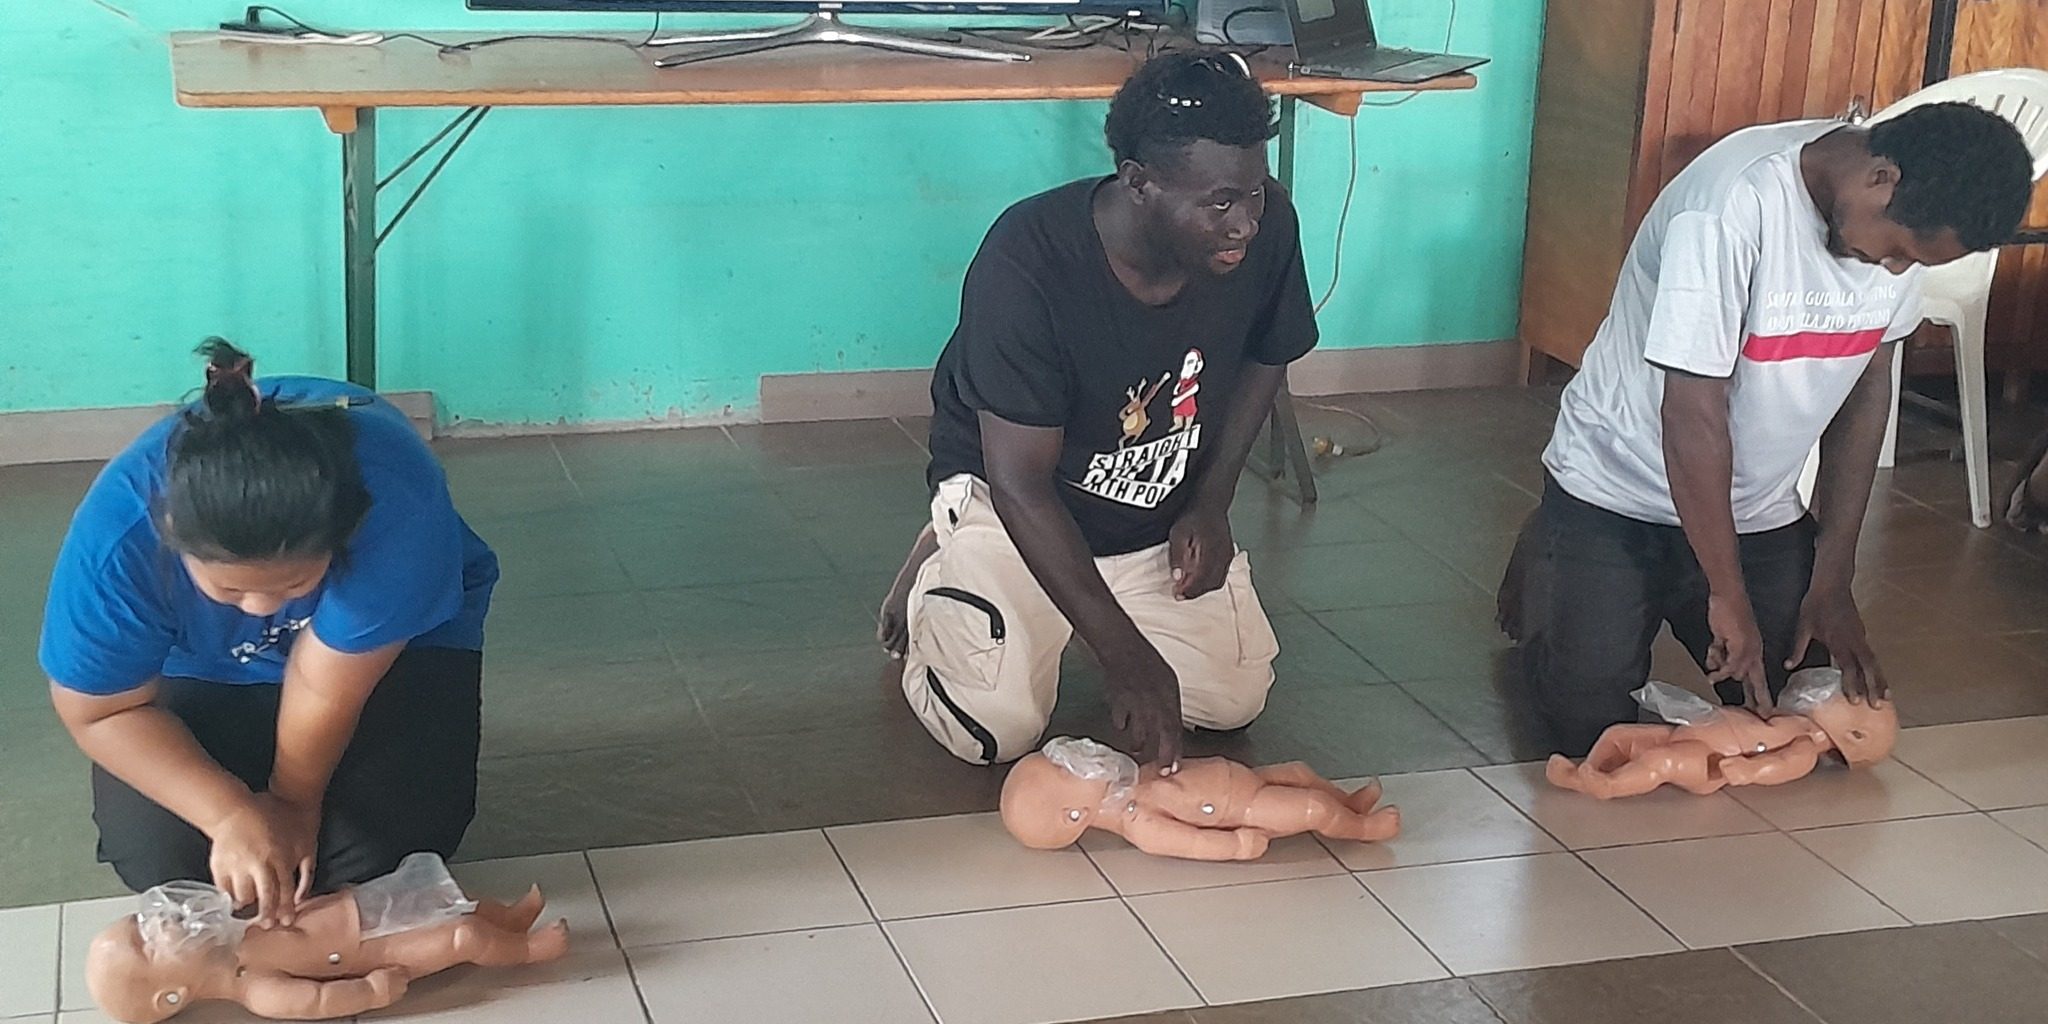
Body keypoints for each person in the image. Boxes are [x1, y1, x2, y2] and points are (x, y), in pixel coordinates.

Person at [1499, 102, 2034, 756]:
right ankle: (1553, 552)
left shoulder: (1903, 227)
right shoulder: (1730, 206)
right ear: (1881, 179)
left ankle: (1590, 574)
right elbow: (1693, 413)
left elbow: (1868, 393)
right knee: (1588, 726)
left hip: (1756, 509)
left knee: (1811, 713)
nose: (1895, 272)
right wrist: (1726, 594)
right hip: (1615, 490)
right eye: (1896, 252)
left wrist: (1832, 578)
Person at [877, 50, 1318, 767]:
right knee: (995, 729)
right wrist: (1124, 656)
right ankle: (946, 564)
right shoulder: (1027, 265)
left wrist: (1210, 502)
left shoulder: (1266, 230)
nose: (1245, 222)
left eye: (1255, 192)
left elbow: (1270, 353)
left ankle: (1068, 606)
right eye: (1220, 203)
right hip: (1013, 502)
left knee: (1231, 701)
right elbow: (1021, 484)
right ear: (1138, 184)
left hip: (1151, 506)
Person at [43, 340, 499, 928]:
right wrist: (230, 813)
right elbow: (101, 712)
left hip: (385, 654)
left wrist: (292, 804)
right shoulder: (118, 542)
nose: (259, 607)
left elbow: (325, 685)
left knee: (377, 852)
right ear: (175, 535)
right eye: (230, 592)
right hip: (204, 665)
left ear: (343, 536)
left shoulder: (394, 503)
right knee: (167, 862)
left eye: (294, 583)